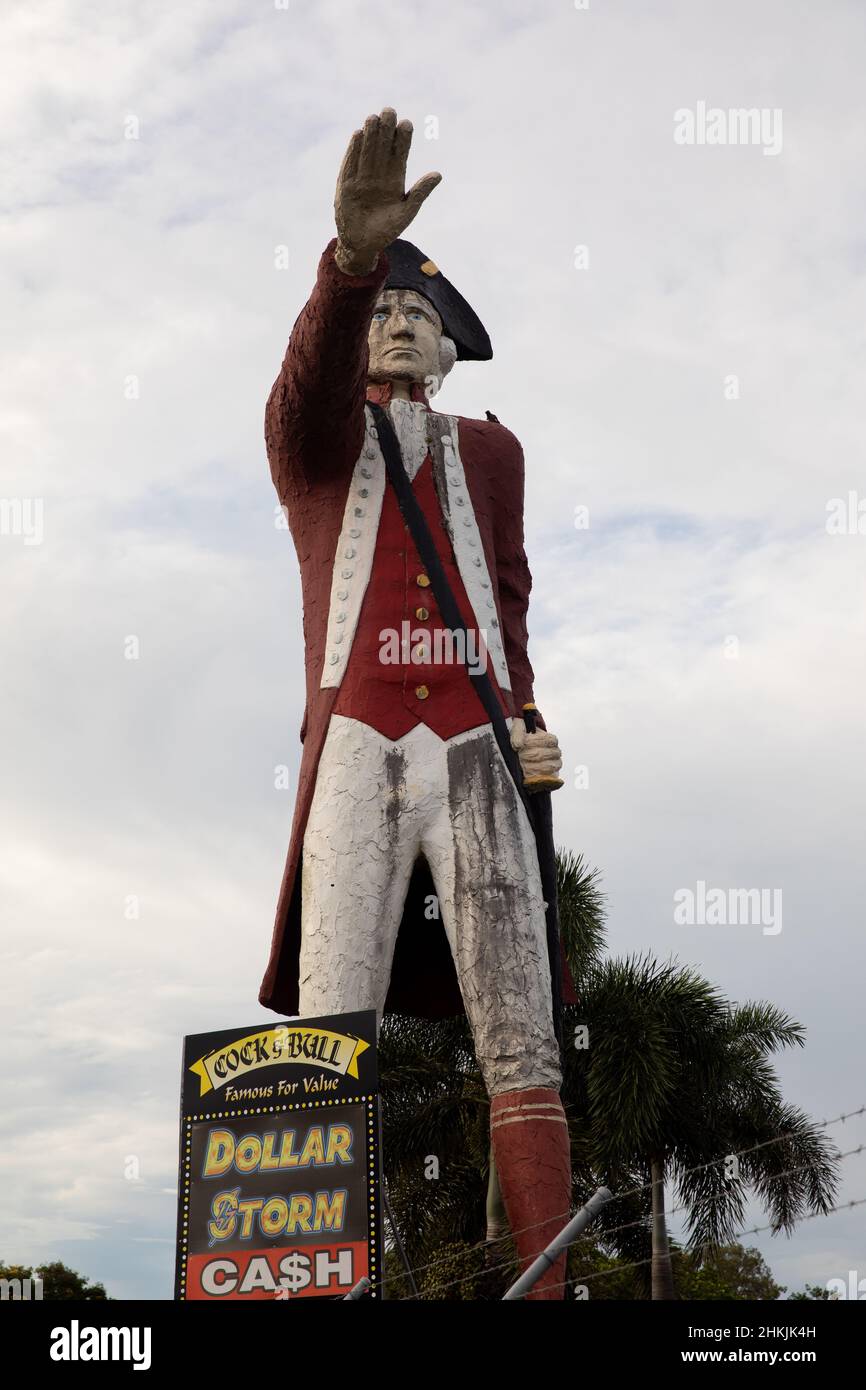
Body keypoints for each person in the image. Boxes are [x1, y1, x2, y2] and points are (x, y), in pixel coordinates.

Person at [260, 108, 573, 1297]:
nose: (397, 323)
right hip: (353, 743)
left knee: (521, 1035)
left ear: (447, 352)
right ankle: (303, 1281)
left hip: (476, 748)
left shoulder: (492, 455)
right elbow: (296, 391)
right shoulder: (315, 448)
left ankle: (544, 1283)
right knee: (327, 1032)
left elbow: (505, 597)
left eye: (417, 315)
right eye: (383, 312)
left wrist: (530, 722)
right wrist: (344, 263)